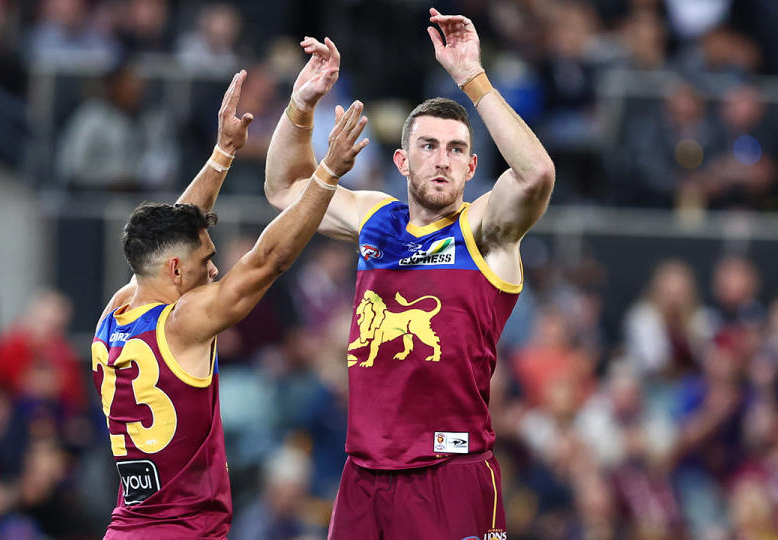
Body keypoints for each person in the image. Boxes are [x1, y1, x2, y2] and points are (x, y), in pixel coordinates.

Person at [264, 8, 556, 539]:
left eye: (456, 150)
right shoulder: (376, 219)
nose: (442, 160)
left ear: (472, 168)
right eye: (428, 146)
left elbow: (535, 174)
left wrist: (472, 76)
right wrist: (302, 105)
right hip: (365, 475)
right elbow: (285, 189)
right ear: (402, 161)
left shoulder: (485, 230)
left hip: (452, 472)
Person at [91, 70, 369, 538]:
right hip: (183, 531)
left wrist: (223, 153)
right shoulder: (183, 322)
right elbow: (268, 260)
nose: (215, 270)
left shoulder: (116, 311)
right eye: (208, 262)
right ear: (178, 272)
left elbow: (175, 235)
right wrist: (326, 174)